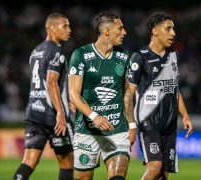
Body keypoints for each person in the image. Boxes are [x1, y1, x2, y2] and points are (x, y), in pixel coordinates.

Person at [68, 11, 136, 180]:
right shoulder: (81, 55)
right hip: (87, 130)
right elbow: (73, 94)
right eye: (120, 29)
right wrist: (94, 116)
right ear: (106, 31)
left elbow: (127, 91)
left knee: (118, 176)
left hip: (116, 130)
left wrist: (132, 124)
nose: (124, 32)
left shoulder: (123, 56)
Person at [128, 12, 193, 180]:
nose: (173, 33)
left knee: (164, 174)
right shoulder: (140, 57)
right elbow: (128, 94)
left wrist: (185, 115)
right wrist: (131, 125)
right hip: (149, 123)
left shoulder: (172, 56)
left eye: (174, 29)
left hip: (170, 125)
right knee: (154, 167)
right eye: (168, 28)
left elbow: (174, 88)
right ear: (155, 31)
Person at [13, 13, 74, 180]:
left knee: (29, 161)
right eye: (65, 26)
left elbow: (41, 81)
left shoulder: (36, 51)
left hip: (33, 112)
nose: (69, 30)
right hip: (53, 116)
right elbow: (51, 81)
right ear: (52, 28)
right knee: (67, 162)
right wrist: (61, 112)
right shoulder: (57, 51)